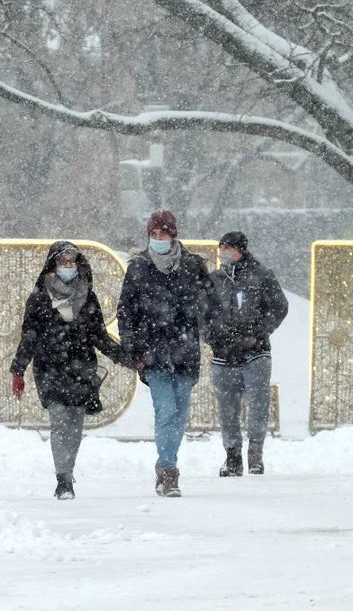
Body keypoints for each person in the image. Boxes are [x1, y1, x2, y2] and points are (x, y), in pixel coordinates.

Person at [11, 240, 130, 500]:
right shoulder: (40, 296)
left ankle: (69, 469)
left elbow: (99, 335)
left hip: (81, 367)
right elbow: (29, 336)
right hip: (50, 367)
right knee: (59, 420)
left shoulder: (88, 295)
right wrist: (18, 369)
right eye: (63, 261)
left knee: (75, 424)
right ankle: (63, 478)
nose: (68, 266)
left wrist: (125, 357)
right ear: (53, 264)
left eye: (72, 261)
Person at [116, 211, 217, 497]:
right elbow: (126, 310)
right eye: (154, 235)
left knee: (181, 411)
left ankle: (164, 463)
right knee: (166, 409)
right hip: (152, 351)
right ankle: (170, 470)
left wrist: (206, 327)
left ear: (173, 235)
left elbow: (209, 305)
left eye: (163, 234)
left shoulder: (193, 266)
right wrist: (131, 345)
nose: (158, 239)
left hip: (185, 350)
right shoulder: (139, 268)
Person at [206, 231, 288, 476]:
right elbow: (201, 313)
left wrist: (259, 331)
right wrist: (212, 336)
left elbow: (280, 306)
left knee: (258, 404)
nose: (223, 253)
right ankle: (232, 457)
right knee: (227, 407)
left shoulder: (261, 276)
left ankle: (255, 455)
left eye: (228, 248)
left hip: (256, 352)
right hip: (223, 354)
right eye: (221, 248)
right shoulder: (213, 280)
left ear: (240, 250)